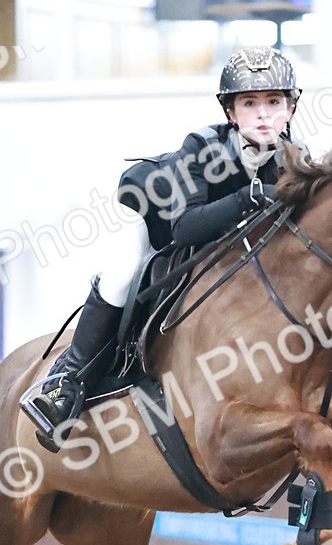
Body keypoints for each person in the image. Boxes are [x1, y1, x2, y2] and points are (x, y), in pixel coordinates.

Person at [20, 45, 305, 450]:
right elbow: (186, 227)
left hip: (213, 241)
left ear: (291, 109)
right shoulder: (202, 146)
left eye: (274, 102)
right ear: (230, 113)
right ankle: (66, 384)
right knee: (121, 274)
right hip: (149, 218)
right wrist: (251, 195)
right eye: (250, 103)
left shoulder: (298, 159)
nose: (263, 114)